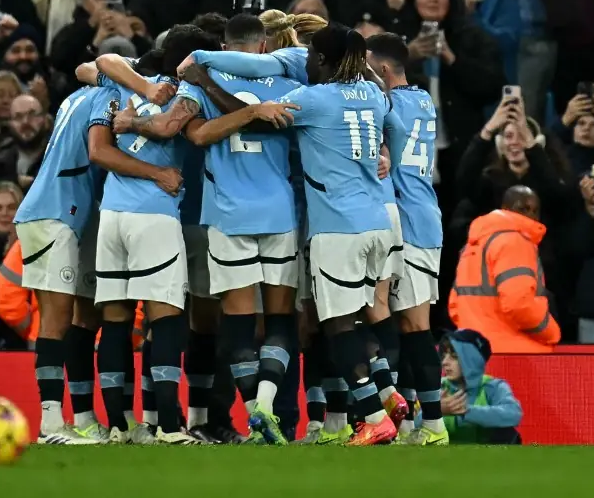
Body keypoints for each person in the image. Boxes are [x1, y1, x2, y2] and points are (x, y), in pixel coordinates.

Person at [189, 24, 406, 445]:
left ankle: (374, 416)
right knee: (360, 316)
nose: (305, 63)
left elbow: (252, 119)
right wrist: (386, 159)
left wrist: (203, 80)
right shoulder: (374, 95)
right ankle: (387, 389)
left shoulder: (312, 98)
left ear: (322, 61)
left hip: (338, 228)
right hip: (378, 221)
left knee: (338, 326)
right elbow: (394, 126)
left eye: (310, 57)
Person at [111, 16, 300, 445]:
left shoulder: (198, 83)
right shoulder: (290, 79)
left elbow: (184, 132)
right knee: (279, 320)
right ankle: (259, 412)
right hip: (279, 214)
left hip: (219, 215)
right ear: (264, 43)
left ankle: (236, 414)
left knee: (213, 324)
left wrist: (132, 121)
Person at [12, 59, 180, 445]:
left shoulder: (79, 95)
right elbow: (100, 152)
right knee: (56, 318)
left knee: (85, 318)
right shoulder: (108, 98)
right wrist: (158, 173)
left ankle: (86, 418)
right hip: (53, 212)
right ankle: (51, 422)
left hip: (76, 216)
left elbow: (86, 68)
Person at [91, 37, 197, 446]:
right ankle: (169, 426)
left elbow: (98, 62)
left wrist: (140, 87)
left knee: (115, 321)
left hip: (113, 215)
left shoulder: (124, 85)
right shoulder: (188, 92)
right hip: (155, 214)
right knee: (167, 320)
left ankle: (118, 425)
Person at [366, 33, 448, 445]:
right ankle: (412, 421)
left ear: (381, 70)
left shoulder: (386, 105)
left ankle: (432, 424)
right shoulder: (421, 100)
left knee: (415, 326)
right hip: (423, 214)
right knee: (403, 324)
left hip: (409, 221)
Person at [449, 185, 560, 353]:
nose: (530, 214)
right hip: (515, 355)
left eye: (534, 210)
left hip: (474, 354)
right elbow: (519, 304)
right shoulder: (515, 242)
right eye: (523, 208)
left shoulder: (473, 245)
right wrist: (552, 332)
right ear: (505, 208)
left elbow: (455, 304)